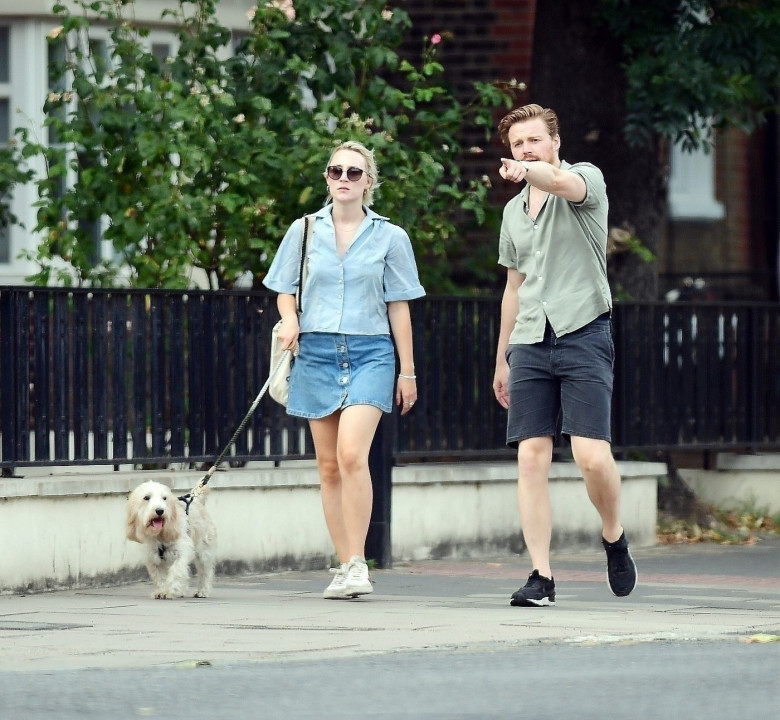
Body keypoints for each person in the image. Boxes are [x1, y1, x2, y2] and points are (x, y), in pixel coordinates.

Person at [263, 140, 425, 599]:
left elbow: (399, 307)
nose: (344, 180)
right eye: (336, 172)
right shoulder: (304, 230)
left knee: (354, 455)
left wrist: (407, 372)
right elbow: (283, 288)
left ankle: (359, 564)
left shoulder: (391, 237)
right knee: (329, 466)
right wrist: (291, 318)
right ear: (327, 179)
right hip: (314, 352)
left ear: (368, 182)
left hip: (372, 352)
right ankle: (344, 562)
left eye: (354, 173)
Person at [492, 104, 637, 607]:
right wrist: (502, 358)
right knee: (531, 458)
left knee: (590, 455)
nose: (525, 149)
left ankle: (614, 535)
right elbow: (513, 288)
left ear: (555, 142)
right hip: (530, 340)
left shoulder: (584, 182)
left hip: (583, 331)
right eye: (517, 145)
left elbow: (561, 184)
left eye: (534, 141)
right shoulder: (513, 213)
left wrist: (531, 171)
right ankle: (541, 576)